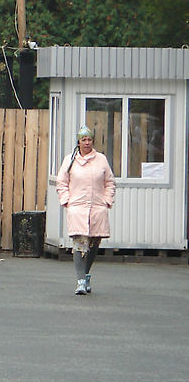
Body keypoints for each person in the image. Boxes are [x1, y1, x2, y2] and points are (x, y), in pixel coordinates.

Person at [55, 126, 116, 295]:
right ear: (79, 141)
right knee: (80, 243)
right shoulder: (70, 160)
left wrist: (106, 200)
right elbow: (62, 182)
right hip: (77, 208)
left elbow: (109, 182)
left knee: (94, 243)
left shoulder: (101, 159)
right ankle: (80, 281)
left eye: (89, 140)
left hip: (97, 208)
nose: (87, 143)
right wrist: (66, 200)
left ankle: (86, 274)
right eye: (84, 140)